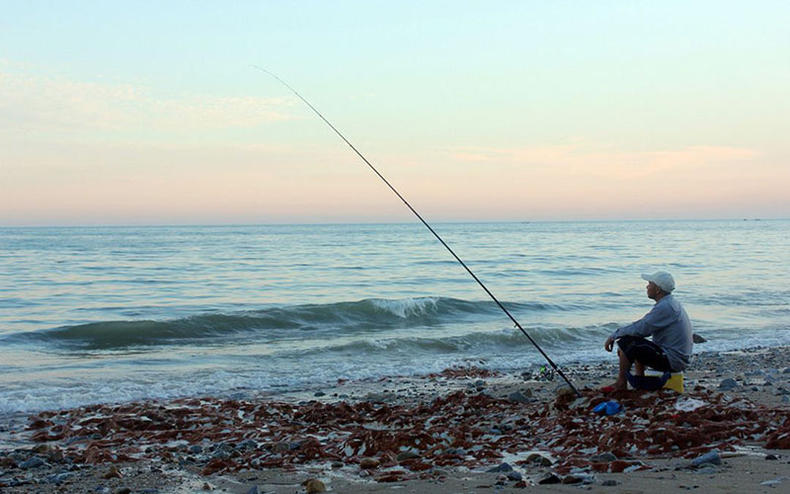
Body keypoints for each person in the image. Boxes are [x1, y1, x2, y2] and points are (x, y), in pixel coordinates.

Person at [604, 271, 693, 391]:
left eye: (650, 283)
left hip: (673, 360)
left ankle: (621, 383)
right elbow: (643, 327)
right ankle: (639, 380)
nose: (647, 286)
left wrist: (614, 335)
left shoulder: (665, 307)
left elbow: (641, 328)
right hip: (676, 358)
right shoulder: (669, 303)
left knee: (626, 342)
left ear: (657, 289)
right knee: (633, 343)